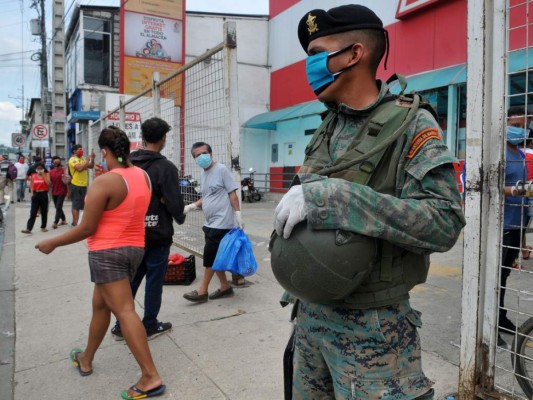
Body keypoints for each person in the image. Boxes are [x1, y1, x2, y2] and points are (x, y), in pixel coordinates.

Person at [272, 5, 466, 399]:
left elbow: (444, 220)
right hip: (311, 318)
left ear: (354, 54)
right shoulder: (329, 125)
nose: (309, 66)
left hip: (373, 329)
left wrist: (336, 197)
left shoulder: (411, 124)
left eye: (316, 53)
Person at [35, 126, 166, 400]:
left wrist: (52, 242)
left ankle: (150, 376)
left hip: (108, 254)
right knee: (100, 305)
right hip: (133, 250)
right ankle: (86, 357)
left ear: (105, 151)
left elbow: (86, 228)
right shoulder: (142, 176)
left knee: (125, 311)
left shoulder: (105, 183)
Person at [110, 117, 185, 341]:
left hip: (130, 233)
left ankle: (121, 325)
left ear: (142, 137)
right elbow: (175, 205)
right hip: (158, 234)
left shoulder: (127, 163)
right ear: (163, 139)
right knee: (154, 281)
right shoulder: (166, 168)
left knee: (130, 280)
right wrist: (175, 211)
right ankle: (149, 324)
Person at [182, 142, 244, 303]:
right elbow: (207, 196)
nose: (201, 157)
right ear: (194, 159)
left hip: (221, 223)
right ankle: (225, 287)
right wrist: (192, 206)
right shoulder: (203, 173)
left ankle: (202, 291)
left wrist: (238, 214)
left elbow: (232, 193)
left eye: (203, 153)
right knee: (215, 256)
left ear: (211, 154)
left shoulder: (222, 169)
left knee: (209, 256)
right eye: (197, 155)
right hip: (209, 222)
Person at [500, 106, 530, 339]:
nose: (520, 130)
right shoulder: (496, 153)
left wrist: (523, 242)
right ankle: (492, 320)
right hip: (499, 226)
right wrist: (519, 189)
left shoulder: (519, 154)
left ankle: (500, 316)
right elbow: (483, 185)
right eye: (516, 125)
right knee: (495, 276)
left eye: (523, 126)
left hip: (515, 224)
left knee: (505, 274)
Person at [68, 144, 95, 227]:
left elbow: (90, 166)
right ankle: (75, 224)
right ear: (74, 151)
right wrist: (87, 160)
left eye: (82, 149)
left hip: (83, 185)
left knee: (82, 205)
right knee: (76, 205)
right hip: (76, 184)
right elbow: (79, 168)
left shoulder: (82, 159)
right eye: (79, 149)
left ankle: (80, 222)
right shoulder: (73, 159)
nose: (81, 151)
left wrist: (92, 159)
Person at [21, 162, 51, 234]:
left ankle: (43, 227)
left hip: (43, 194)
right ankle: (28, 228)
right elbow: (32, 185)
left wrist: (43, 176)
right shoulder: (33, 175)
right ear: (36, 169)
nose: (39, 170)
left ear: (43, 169)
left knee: (44, 211)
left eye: (41, 168)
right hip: (35, 194)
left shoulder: (46, 174)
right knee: (33, 212)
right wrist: (32, 193)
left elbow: (49, 183)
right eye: (38, 169)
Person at [49, 156, 68, 228]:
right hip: (54, 191)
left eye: (58, 162)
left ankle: (55, 222)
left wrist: (69, 192)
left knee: (58, 207)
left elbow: (67, 181)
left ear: (60, 162)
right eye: (54, 162)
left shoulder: (64, 170)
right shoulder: (51, 172)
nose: (56, 164)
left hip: (62, 191)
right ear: (52, 163)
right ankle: (63, 219)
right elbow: (50, 182)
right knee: (57, 207)